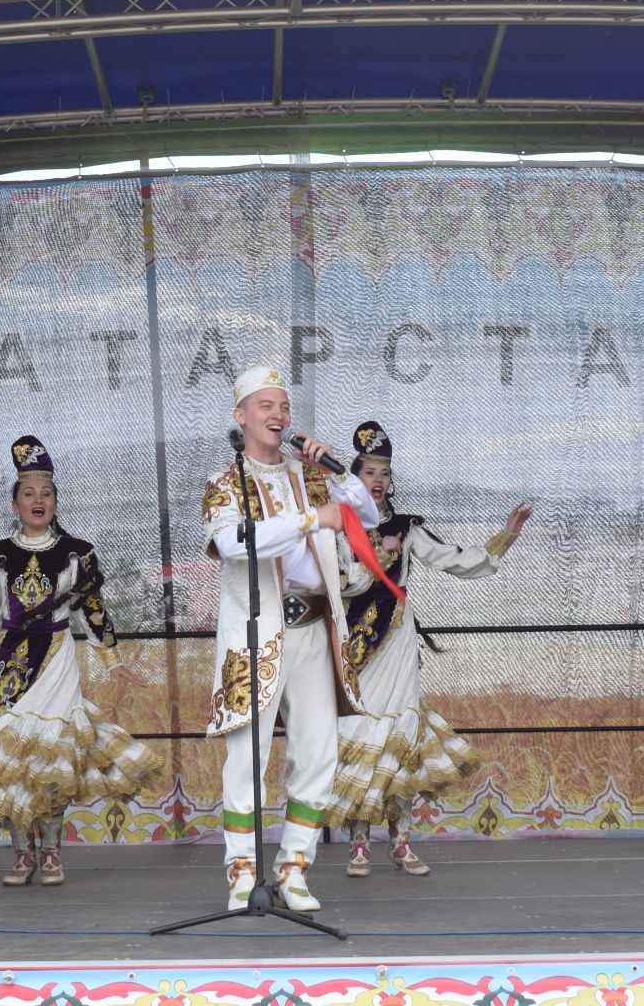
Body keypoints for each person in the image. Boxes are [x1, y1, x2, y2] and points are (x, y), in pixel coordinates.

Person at [0, 436, 159, 886]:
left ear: (55, 502)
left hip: (56, 661)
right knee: (15, 762)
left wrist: (113, 661)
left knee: (52, 759)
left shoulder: (76, 553)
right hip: (11, 662)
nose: (38, 500)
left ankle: (51, 854)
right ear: (15, 503)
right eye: (29, 494)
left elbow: (92, 612)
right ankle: (21, 855)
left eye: (46, 494)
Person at [201, 365, 380, 913]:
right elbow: (233, 544)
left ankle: (296, 868)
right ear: (241, 417)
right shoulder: (227, 481)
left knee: (317, 750)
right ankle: (242, 871)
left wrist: (336, 470)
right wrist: (310, 519)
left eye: (283, 406)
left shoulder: (312, 474)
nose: (278, 415)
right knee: (245, 756)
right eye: (265, 406)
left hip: (315, 627)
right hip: (257, 633)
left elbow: (365, 514)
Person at [327, 421, 530, 877]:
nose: (377, 481)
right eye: (368, 473)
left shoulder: (406, 526)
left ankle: (400, 843)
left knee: (401, 742)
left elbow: (453, 560)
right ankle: (358, 843)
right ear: (355, 479)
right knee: (362, 739)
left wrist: (506, 536)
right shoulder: (336, 526)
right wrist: (379, 554)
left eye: (384, 473)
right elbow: (341, 582)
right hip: (359, 645)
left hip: (397, 641)